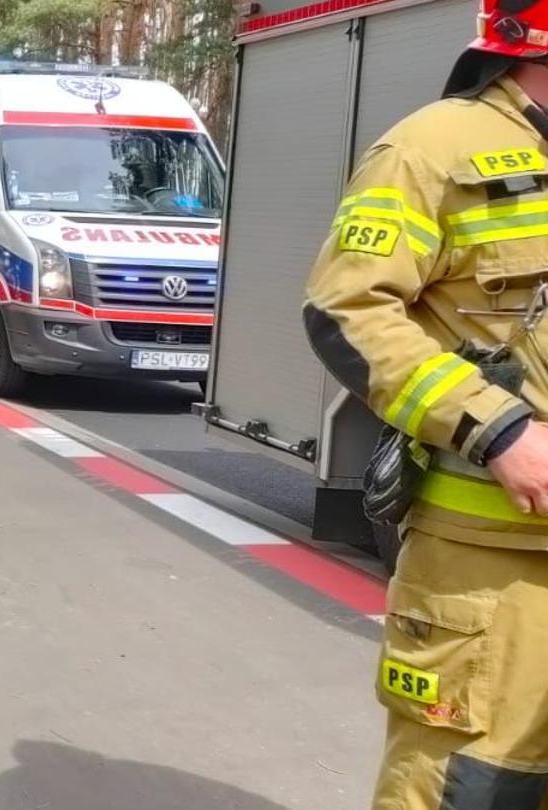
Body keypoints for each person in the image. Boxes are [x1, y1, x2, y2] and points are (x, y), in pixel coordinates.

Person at [303, 2, 548, 807]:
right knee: (475, 788)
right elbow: (347, 311)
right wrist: (499, 429)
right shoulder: (431, 148)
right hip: (490, 566)